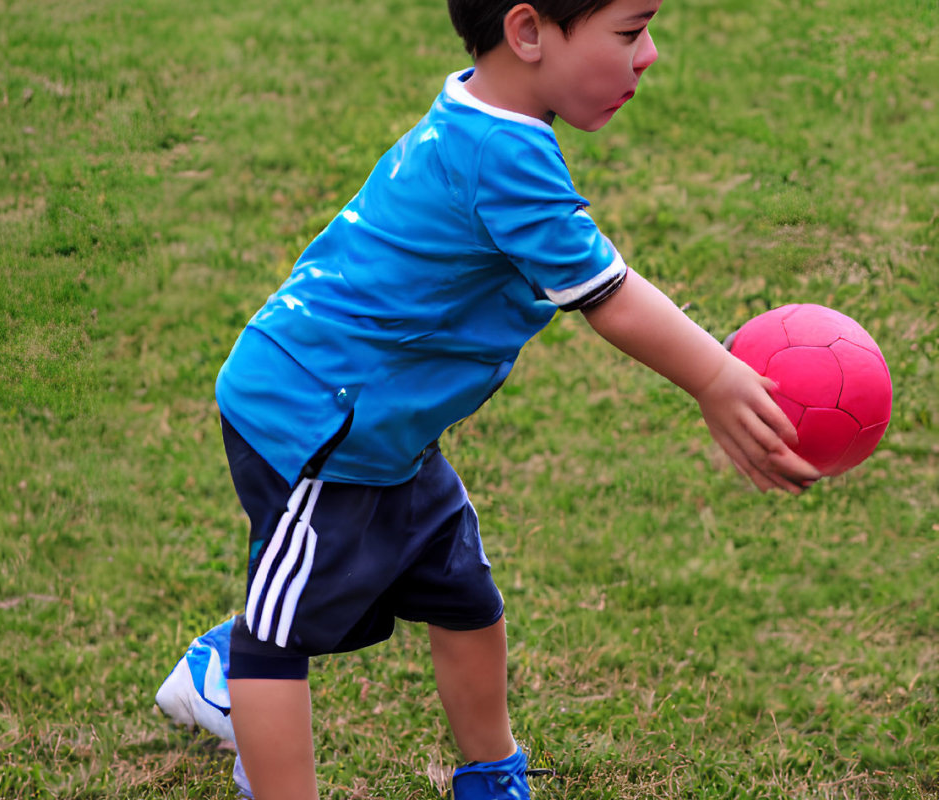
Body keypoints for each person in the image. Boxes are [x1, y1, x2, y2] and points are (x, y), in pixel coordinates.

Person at [155, 0, 821, 797]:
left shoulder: (484, 115)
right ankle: (230, 672)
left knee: (464, 595)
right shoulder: (502, 152)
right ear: (529, 32)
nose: (650, 55)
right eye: (630, 30)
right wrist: (715, 376)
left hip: (385, 431)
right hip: (312, 420)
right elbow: (606, 294)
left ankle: (492, 773)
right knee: (280, 634)